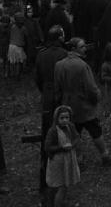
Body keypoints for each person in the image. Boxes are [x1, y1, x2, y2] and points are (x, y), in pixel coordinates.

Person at [54, 37, 111, 165]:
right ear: (74, 49)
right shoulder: (82, 65)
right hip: (84, 105)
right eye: (82, 46)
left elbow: (57, 88)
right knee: (95, 131)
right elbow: (90, 87)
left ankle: (78, 160)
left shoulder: (59, 65)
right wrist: (97, 98)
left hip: (67, 104)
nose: (85, 49)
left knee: (74, 132)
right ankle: (105, 155)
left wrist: (60, 102)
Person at [35, 26, 68, 191]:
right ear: (59, 37)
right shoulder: (63, 54)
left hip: (47, 96)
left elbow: (37, 78)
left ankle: (45, 174)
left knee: (47, 133)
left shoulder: (41, 54)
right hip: (59, 94)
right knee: (63, 129)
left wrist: (46, 91)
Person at [44, 105, 81, 207]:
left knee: (65, 184)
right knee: (61, 186)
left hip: (68, 159)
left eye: (67, 118)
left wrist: (72, 145)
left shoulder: (71, 127)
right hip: (58, 161)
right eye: (62, 118)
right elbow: (47, 147)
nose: (65, 120)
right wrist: (61, 147)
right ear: (57, 118)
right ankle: (56, 203)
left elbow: (77, 137)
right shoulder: (53, 131)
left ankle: (59, 202)